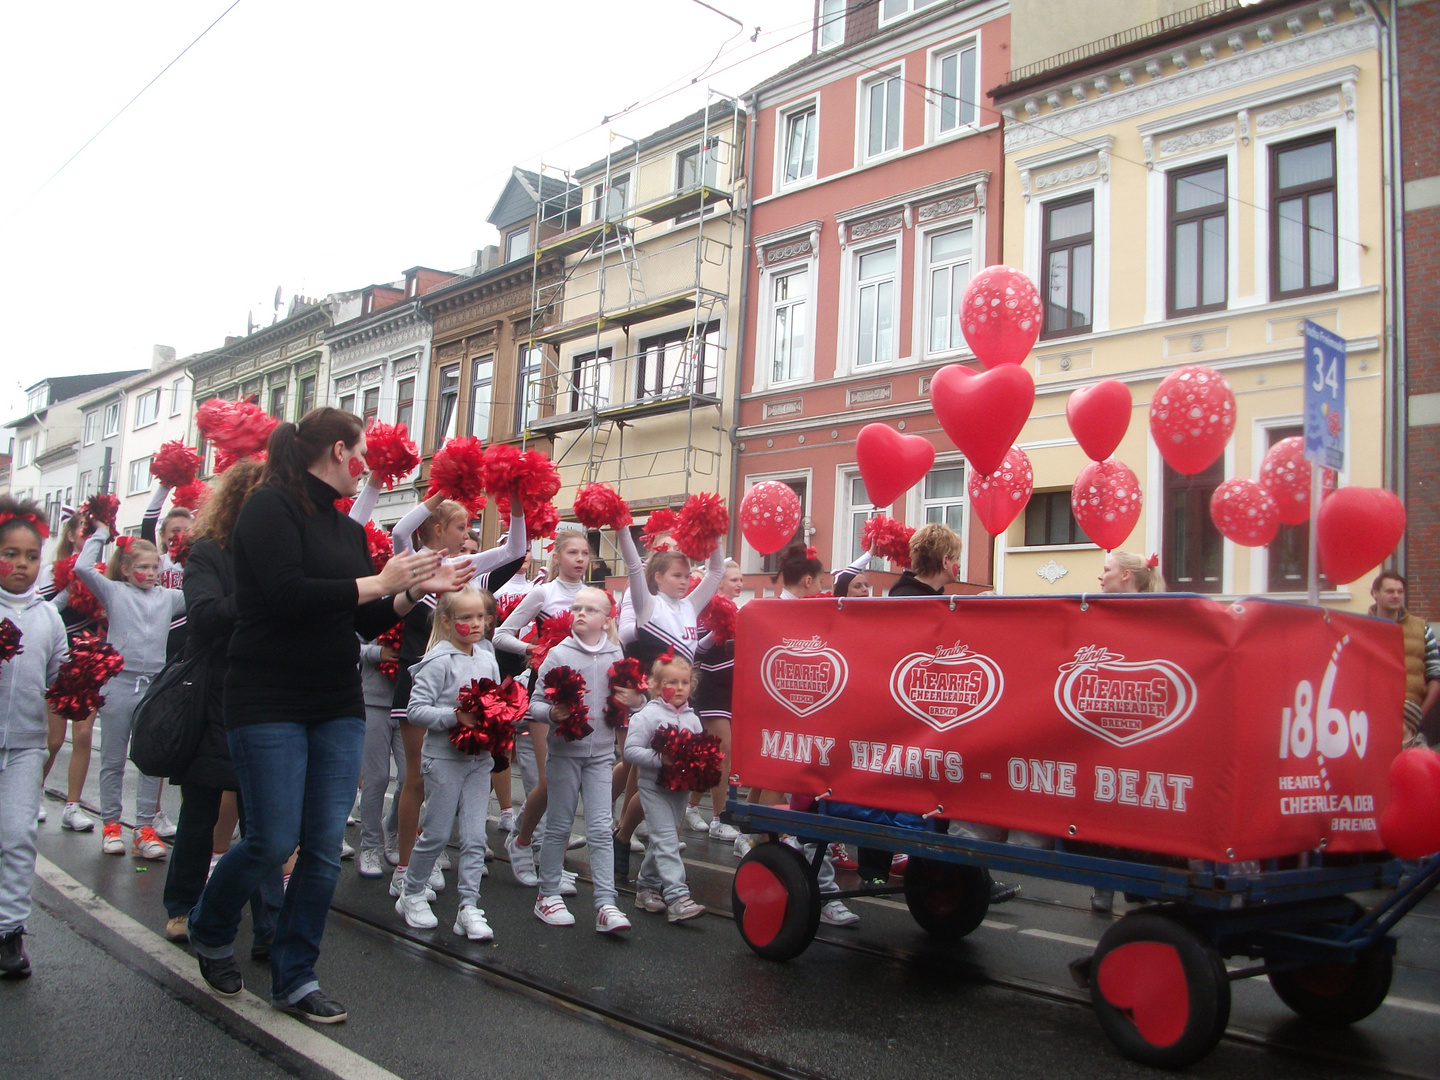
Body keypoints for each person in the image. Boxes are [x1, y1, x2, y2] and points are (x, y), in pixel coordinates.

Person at [186, 407, 471, 1022]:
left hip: (333, 701)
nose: (369, 467)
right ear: (340, 451)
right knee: (271, 838)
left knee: (319, 848)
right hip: (267, 697)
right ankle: (211, 923)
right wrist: (381, 581)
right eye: (362, 453)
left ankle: (295, 977)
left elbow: (363, 617)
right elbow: (287, 595)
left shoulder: (344, 531)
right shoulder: (269, 508)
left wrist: (419, 589)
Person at [161, 459, 281, 954]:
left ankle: (269, 925)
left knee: (266, 822)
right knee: (201, 812)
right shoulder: (207, 552)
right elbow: (205, 618)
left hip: (270, 694)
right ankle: (182, 905)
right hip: (214, 695)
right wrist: (260, 595)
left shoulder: (283, 552)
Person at [385, 492, 526, 899]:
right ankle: (406, 865)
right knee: (416, 779)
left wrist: (515, 502)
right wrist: (438, 493)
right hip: (421, 683)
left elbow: (516, 548)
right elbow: (398, 530)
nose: (469, 535)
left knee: (452, 779)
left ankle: (430, 860)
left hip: (466, 691)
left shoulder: (467, 568)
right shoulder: (413, 563)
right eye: (462, 526)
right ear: (437, 529)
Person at [887, 525, 1020, 906]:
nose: (960, 564)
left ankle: (963, 875)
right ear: (945, 561)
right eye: (956, 557)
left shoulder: (931, 598)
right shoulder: (910, 601)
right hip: (920, 723)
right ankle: (963, 874)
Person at [72, 522, 186, 860]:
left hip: (153, 687)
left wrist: (191, 549)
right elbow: (81, 567)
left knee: (151, 760)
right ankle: (110, 823)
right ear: (125, 569)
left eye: (155, 568)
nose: (151, 573)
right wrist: (99, 533)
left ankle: (143, 827)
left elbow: (205, 591)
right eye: (143, 567)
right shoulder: (114, 591)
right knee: (113, 757)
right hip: (119, 684)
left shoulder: (168, 598)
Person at [529, 585, 637, 932]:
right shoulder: (559, 654)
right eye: (576, 607)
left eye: (590, 610)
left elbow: (636, 702)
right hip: (565, 754)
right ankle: (547, 894)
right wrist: (552, 715)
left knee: (601, 829)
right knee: (559, 825)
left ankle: (606, 903)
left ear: (607, 620)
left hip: (602, 755)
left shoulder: (617, 654)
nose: (579, 614)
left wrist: (636, 701)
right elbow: (533, 704)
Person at [395, 586, 500, 941]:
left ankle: (469, 906)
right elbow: (415, 710)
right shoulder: (437, 660)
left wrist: (506, 715)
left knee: (474, 836)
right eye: (465, 618)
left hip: (479, 759)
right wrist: (456, 717)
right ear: (447, 621)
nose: (475, 624)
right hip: (443, 759)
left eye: (481, 617)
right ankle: (411, 892)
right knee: (437, 832)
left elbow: (496, 703)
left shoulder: (487, 656)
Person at [494, 529, 594, 887]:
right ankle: (521, 842)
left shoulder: (592, 596)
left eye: (585, 553)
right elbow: (501, 634)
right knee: (549, 781)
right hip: (544, 693)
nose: (580, 559)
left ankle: (549, 856)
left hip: (583, 697)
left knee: (568, 785)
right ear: (556, 557)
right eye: (572, 552)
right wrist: (533, 650)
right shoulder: (543, 592)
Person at [0, 497, 70, 978]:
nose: (20, 564)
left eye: (29, 556)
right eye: (9, 554)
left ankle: (9, 932)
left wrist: (79, 687)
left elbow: (62, 679)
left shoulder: (48, 617)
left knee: (18, 834)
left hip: (24, 747)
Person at [1086, 550, 1167, 913]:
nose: (1100, 577)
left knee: (1132, 808)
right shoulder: (1102, 614)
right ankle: (1109, 887)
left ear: (1126, 577)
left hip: (1139, 727)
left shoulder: (1155, 617)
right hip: (1108, 725)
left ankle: (1129, 888)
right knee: (1110, 806)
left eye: (1106, 571)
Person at [624, 653, 707, 923]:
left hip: (680, 789)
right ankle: (677, 896)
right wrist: (659, 759)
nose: (680, 688)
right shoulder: (648, 715)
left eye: (685, 682)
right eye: (673, 682)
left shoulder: (693, 719)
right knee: (667, 840)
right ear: (657, 687)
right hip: (653, 787)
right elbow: (631, 751)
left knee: (665, 838)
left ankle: (646, 886)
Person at [37, 512, 97, 833]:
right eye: (85, 532)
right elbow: (43, 611)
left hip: (89, 661)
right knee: (54, 740)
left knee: (84, 736)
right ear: (72, 535)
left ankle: (73, 807)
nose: (89, 538)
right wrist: (69, 589)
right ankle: (34, 793)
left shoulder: (101, 573)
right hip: (58, 661)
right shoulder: (50, 571)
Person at [686, 560, 744, 842]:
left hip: (732, 690)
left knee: (713, 757)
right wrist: (718, 630)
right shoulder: (704, 611)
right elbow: (698, 654)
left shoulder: (741, 611)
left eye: (741, 579)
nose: (739, 584)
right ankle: (719, 819)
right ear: (718, 583)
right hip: (710, 690)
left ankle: (690, 805)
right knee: (723, 755)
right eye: (733, 580)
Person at [1368, 571, 1440, 748]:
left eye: (1400, 592)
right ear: (1375, 593)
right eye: (1390, 591)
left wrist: (1418, 716)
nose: (1396, 596)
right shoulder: (1360, 627)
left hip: (1411, 726)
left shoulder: (1421, 628)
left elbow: (1435, 676)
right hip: (1370, 724)